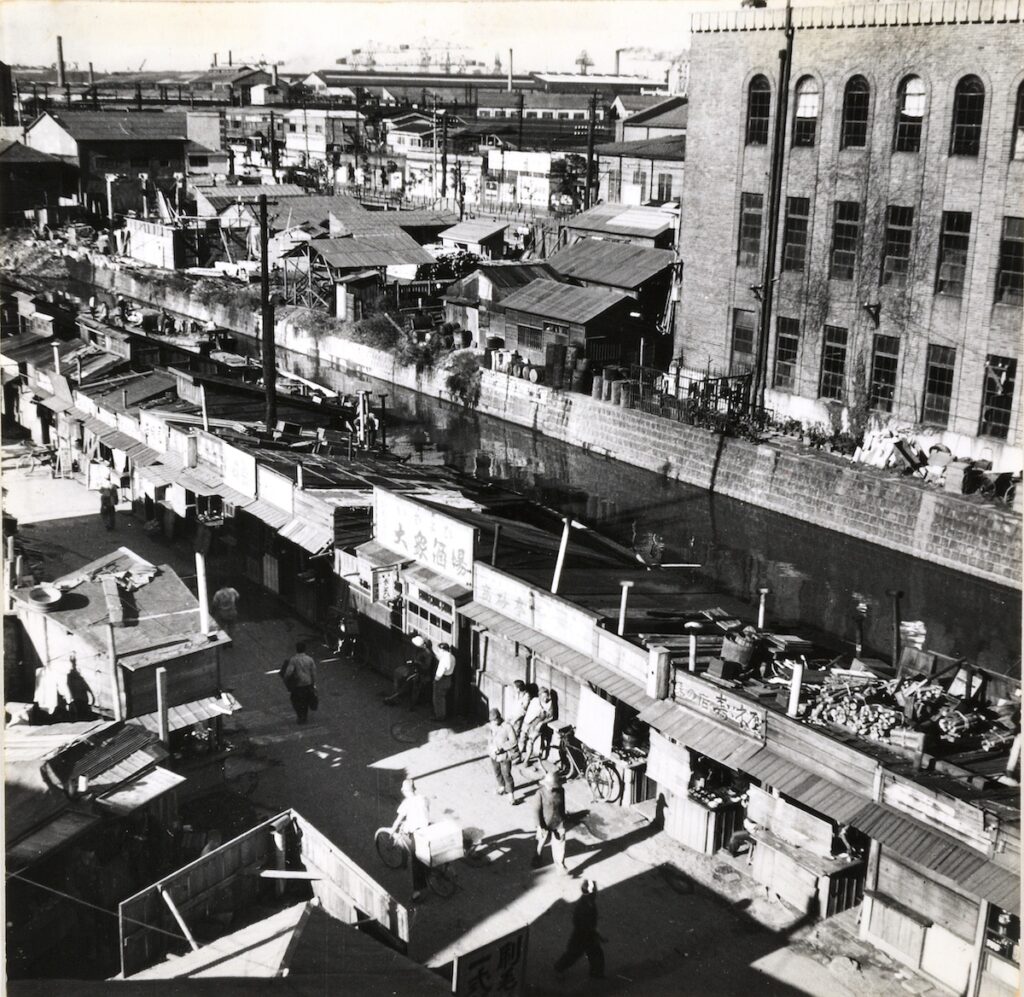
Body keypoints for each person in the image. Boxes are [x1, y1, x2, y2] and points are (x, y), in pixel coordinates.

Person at [554, 879, 605, 980]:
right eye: (595, 890)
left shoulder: (589, 902)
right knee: (574, 954)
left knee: (594, 954)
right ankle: (559, 968)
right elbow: (581, 923)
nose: (596, 892)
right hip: (582, 936)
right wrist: (595, 934)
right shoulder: (584, 906)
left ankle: (596, 973)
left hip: (587, 935)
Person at [390, 778, 430, 901]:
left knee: (415, 861)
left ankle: (417, 892)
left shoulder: (406, 803)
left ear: (404, 791)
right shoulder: (423, 798)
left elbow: (398, 820)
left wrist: (392, 830)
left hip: (418, 834)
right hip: (427, 829)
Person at [385, 634, 435, 710]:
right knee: (404, 680)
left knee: (414, 688)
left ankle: (411, 705)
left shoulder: (427, 654)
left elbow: (426, 667)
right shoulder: (422, 651)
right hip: (416, 670)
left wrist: (417, 662)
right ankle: (398, 697)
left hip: (421, 674)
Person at [533, 770, 567, 870]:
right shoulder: (540, 793)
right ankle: (538, 856)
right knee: (542, 842)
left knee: (560, 844)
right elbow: (536, 810)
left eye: (553, 785)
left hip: (558, 822)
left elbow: (562, 805)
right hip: (544, 823)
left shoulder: (561, 790)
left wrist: (564, 818)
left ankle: (560, 867)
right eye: (549, 785)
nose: (551, 787)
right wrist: (539, 826)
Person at [486, 708, 519, 803]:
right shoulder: (491, 726)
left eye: (495, 719)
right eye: (492, 720)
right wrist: (491, 748)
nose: (494, 722)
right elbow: (489, 740)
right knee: (497, 772)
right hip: (494, 755)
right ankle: (501, 787)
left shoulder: (507, 727)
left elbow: (514, 741)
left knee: (506, 774)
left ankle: (511, 795)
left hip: (504, 755)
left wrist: (502, 748)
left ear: (499, 717)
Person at [281, 641, 318, 724]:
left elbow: (289, 672)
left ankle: (300, 716)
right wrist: (313, 683)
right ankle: (304, 716)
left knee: (296, 701)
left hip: (298, 684)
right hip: (308, 683)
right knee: (306, 701)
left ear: (296, 649)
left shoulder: (294, 660)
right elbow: (313, 672)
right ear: (305, 649)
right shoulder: (310, 659)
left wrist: (286, 679)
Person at [521, 686, 555, 763]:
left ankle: (526, 760)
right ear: (539, 696)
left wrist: (542, 723)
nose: (545, 699)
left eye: (546, 696)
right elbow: (529, 710)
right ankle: (520, 755)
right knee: (522, 739)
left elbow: (551, 717)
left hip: (537, 726)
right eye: (543, 697)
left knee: (530, 742)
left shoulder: (549, 705)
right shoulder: (535, 701)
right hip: (527, 723)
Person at [433, 642, 455, 721]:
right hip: (449, 678)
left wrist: (435, 680)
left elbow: (439, 673)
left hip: (442, 679)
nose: (438, 651)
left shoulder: (444, 660)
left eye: (439, 650)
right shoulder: (452, 657)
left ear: (442, 650)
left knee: (438, 698)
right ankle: (444, 713)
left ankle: (439, 716)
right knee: (443, 697)